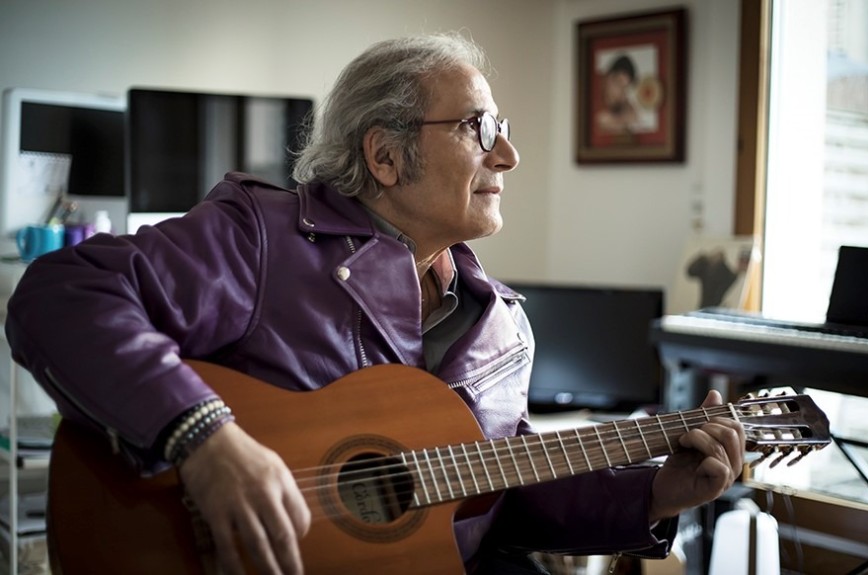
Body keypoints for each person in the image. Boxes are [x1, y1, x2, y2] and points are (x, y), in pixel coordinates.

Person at [5, 33, 744, 574]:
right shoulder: (263, 239)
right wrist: (204, 440)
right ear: (384, 156)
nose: (508, 156)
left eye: (504, 131)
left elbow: (505, 495)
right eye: (480, 128)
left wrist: (656, 493)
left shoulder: (503, 327)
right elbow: (63, 293)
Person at [595, 53, 641, 134]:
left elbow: (634, 119)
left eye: (625, 88)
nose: (621, 93)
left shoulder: (623, 103)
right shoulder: (592, 85)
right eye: (618, 83)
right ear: (608, 78)